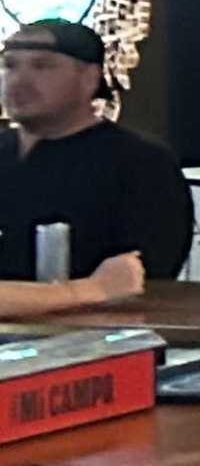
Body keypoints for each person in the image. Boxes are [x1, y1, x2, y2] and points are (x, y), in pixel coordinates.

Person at [0, 17, 189, 304]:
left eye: (42, 66)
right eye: (10, 65)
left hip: (93, 340)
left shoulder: (140, 164)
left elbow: (139, 281)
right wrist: (86, 290)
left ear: (89, 78)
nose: (19, 80)